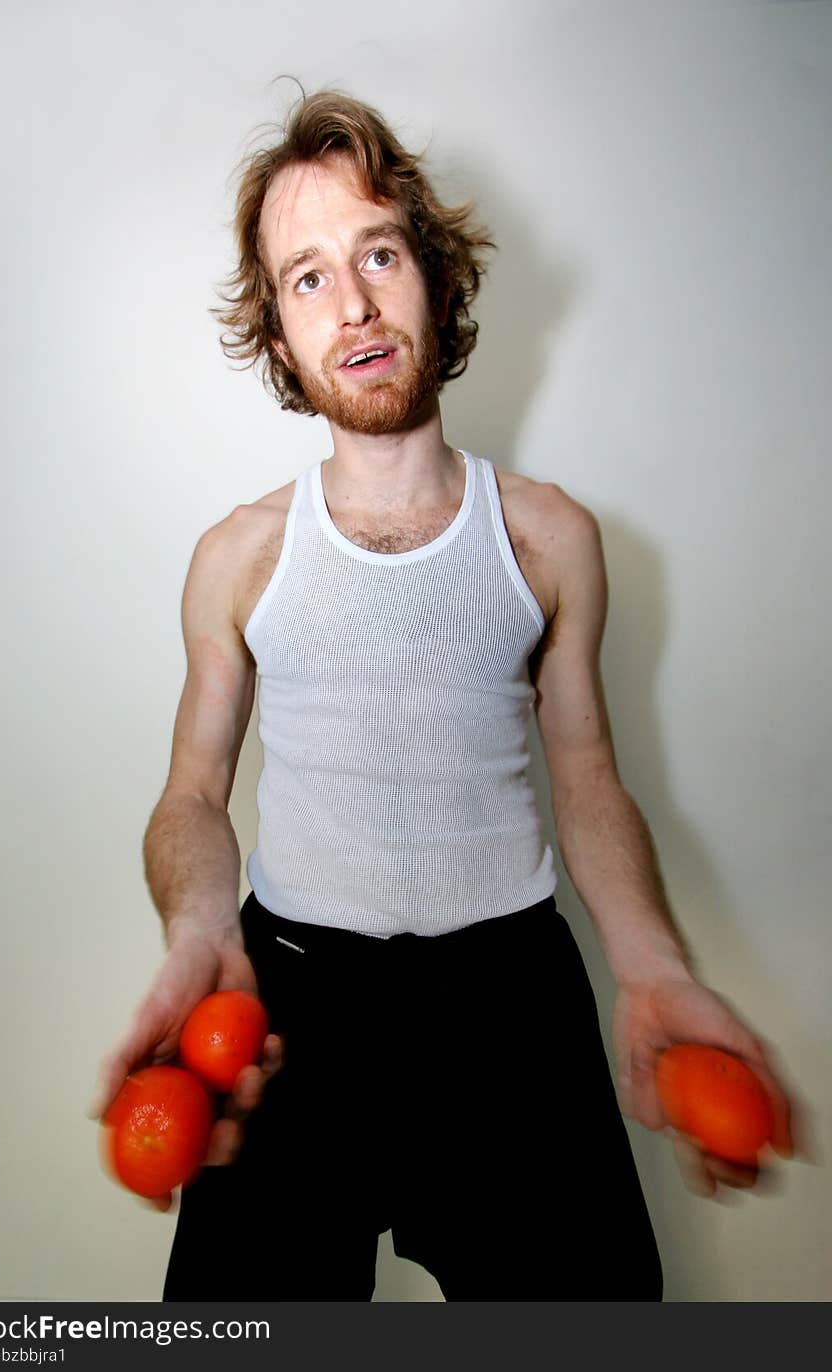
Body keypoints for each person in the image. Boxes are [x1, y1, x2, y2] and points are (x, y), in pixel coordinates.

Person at [88, 86, 798, 1301]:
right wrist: (200, 933)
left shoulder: (550, 538)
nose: (352, 303)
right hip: (289, 1004)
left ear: (432, 273)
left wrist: (652, 964)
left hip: (512, 1006)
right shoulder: (239, 557)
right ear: (277, 333)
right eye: (305, 277)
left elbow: (584, 777)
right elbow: (193, 793)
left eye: (376, 253)